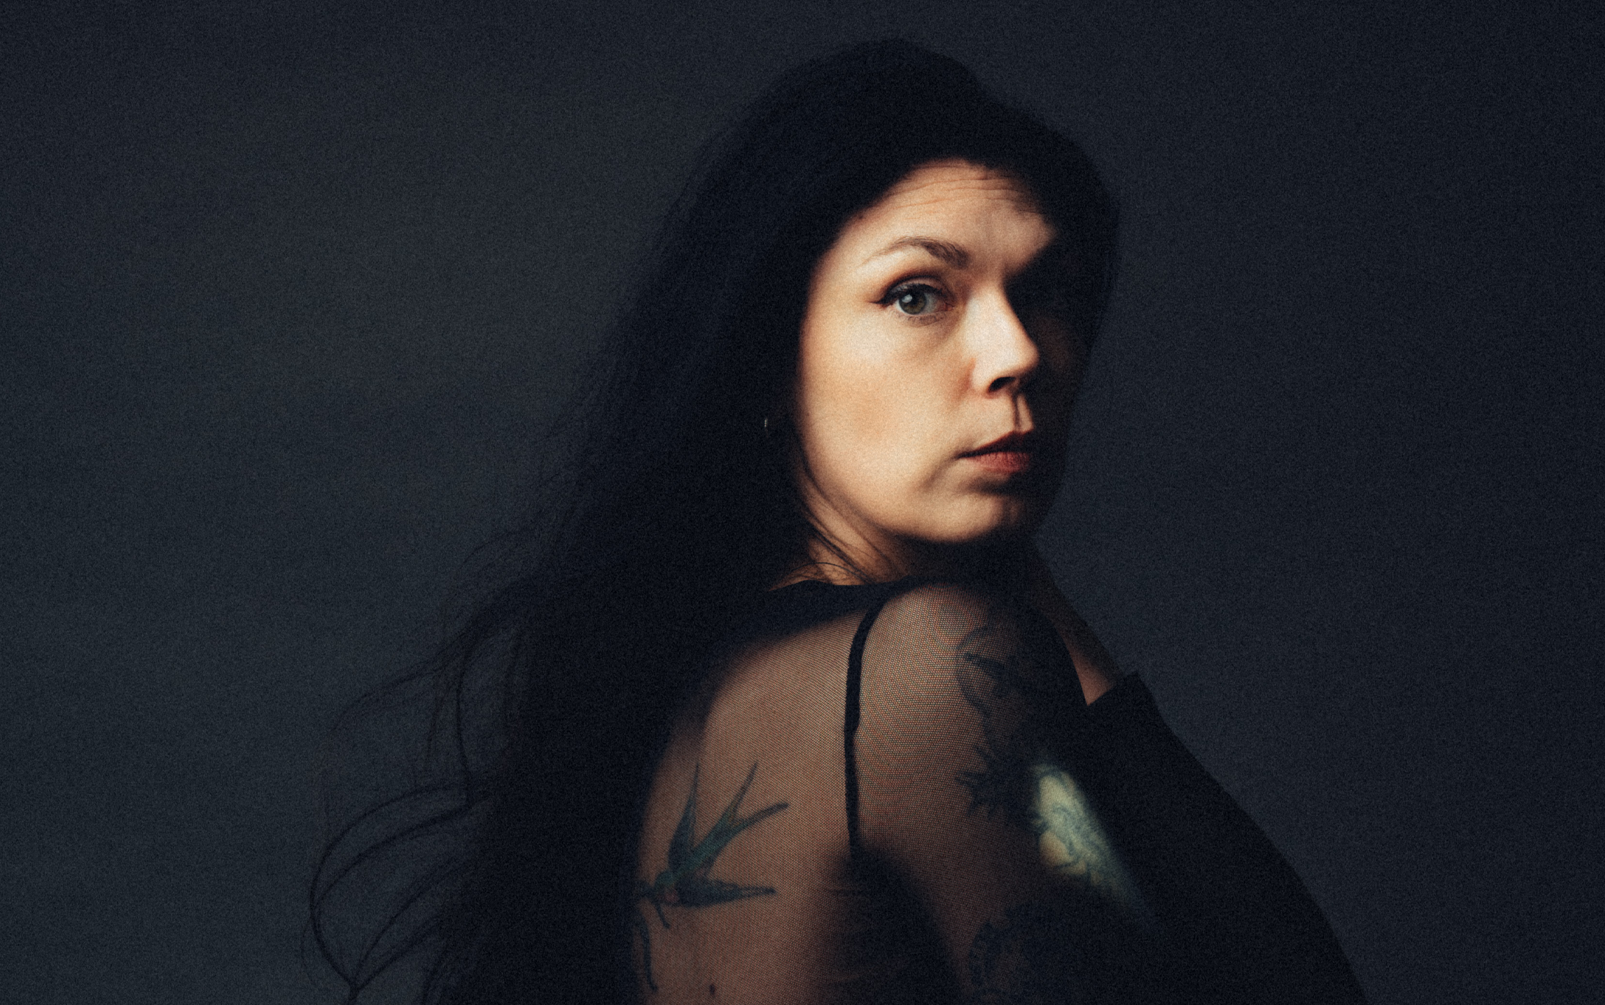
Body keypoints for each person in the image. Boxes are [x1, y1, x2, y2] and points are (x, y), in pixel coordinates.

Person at [312, 41, 1366, 1005]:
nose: (1017, 353)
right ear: (771, 358)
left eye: (1048, 290)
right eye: (917, 295)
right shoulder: (929, 667)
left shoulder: (718, 685)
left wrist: (1035, 593)